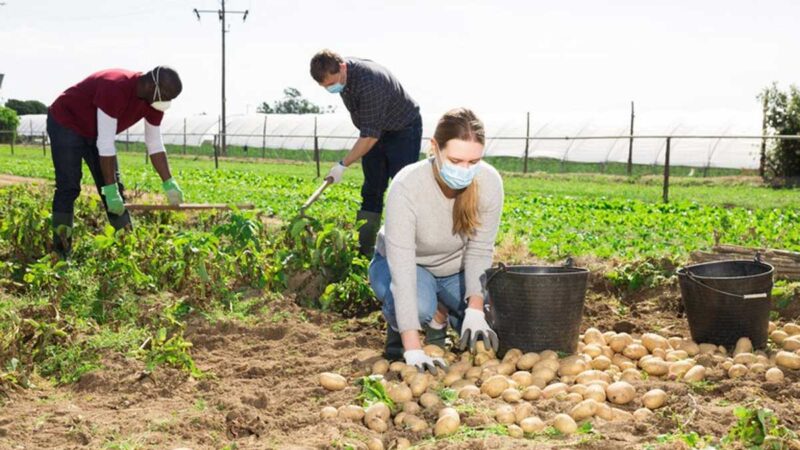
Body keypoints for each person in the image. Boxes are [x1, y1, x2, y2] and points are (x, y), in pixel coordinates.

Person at [368, 108, 504, 373]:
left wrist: (475, 308)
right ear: (434, 148)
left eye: (473, 162)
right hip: (406, 266)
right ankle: (401, 338)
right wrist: (413, 349)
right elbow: (403, 269)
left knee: (494, 319)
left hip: (455, 268)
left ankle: (441, 316)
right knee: (418, 306)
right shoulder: (407, 185)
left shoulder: (489, 182)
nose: (465, 170)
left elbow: (479, 250)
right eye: (455, 160)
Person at [47, 66, 184, 258]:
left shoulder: (153, 101)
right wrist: (109, 190)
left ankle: (128, 251)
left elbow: (154, 143)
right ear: (153, 85)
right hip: (67, 122)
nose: (167, 102)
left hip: (96, 132)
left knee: (115, 190)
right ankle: (61, 253)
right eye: (167, 95)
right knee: (69, 187)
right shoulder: (115, 86)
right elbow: (105, 143)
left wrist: (169, 182)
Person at [309, 49, 422, 257]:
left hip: (403, 130)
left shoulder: (369, 82)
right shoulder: (344, 78)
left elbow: (369, 136)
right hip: (376, 131)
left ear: (342, 67)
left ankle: (403, 252)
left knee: (402, 190)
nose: (331, 88)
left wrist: (343, 164)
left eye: (332, 84)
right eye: (325, 87)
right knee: (372, 189)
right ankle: (366, 251)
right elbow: (369, 131)